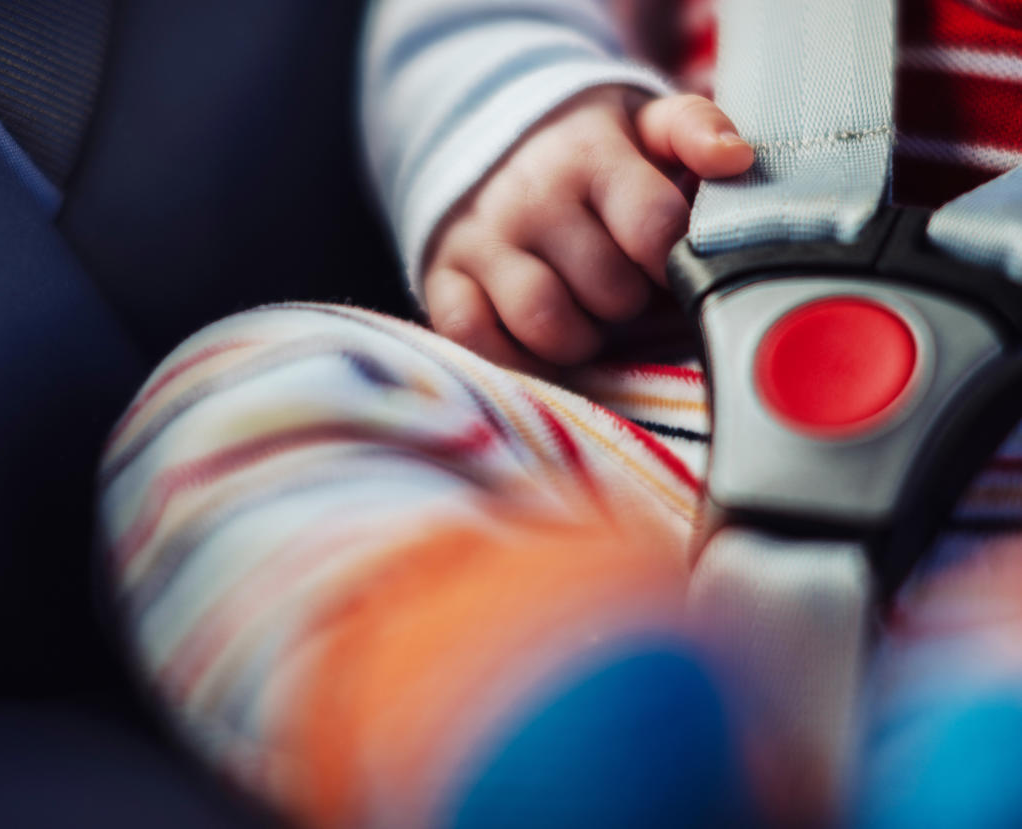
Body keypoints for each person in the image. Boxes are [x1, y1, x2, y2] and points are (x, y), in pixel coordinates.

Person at [96, 0, 1022, 826]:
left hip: (993, 596)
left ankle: (980, 755)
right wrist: (531, 128)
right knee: (255, 391)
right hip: (626, 482)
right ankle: (491, 688)